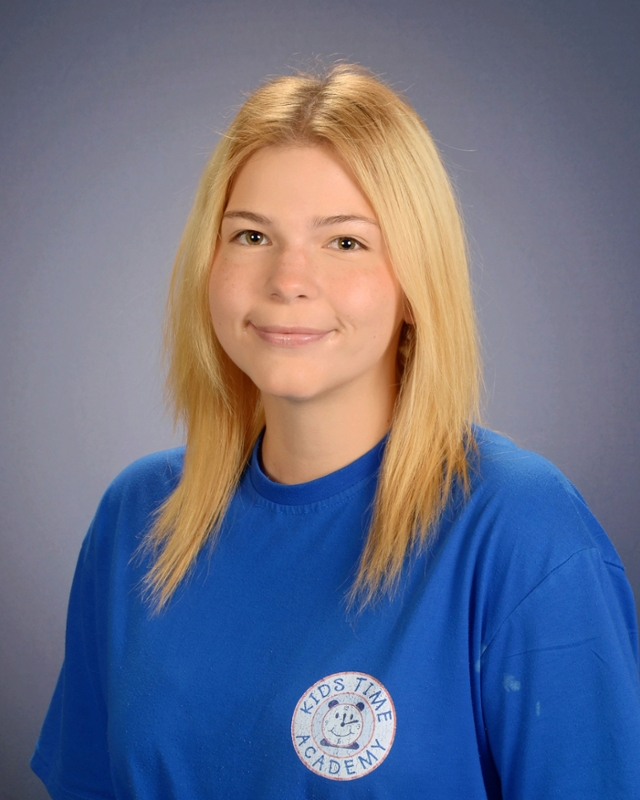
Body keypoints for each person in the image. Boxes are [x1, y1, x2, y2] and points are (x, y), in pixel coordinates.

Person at [32, 64, 640, 799]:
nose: (289, 279)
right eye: (252, 235)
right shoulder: (137, 519)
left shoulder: (523, 532)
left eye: (345, 243)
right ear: (207, 266)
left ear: (415, 283)